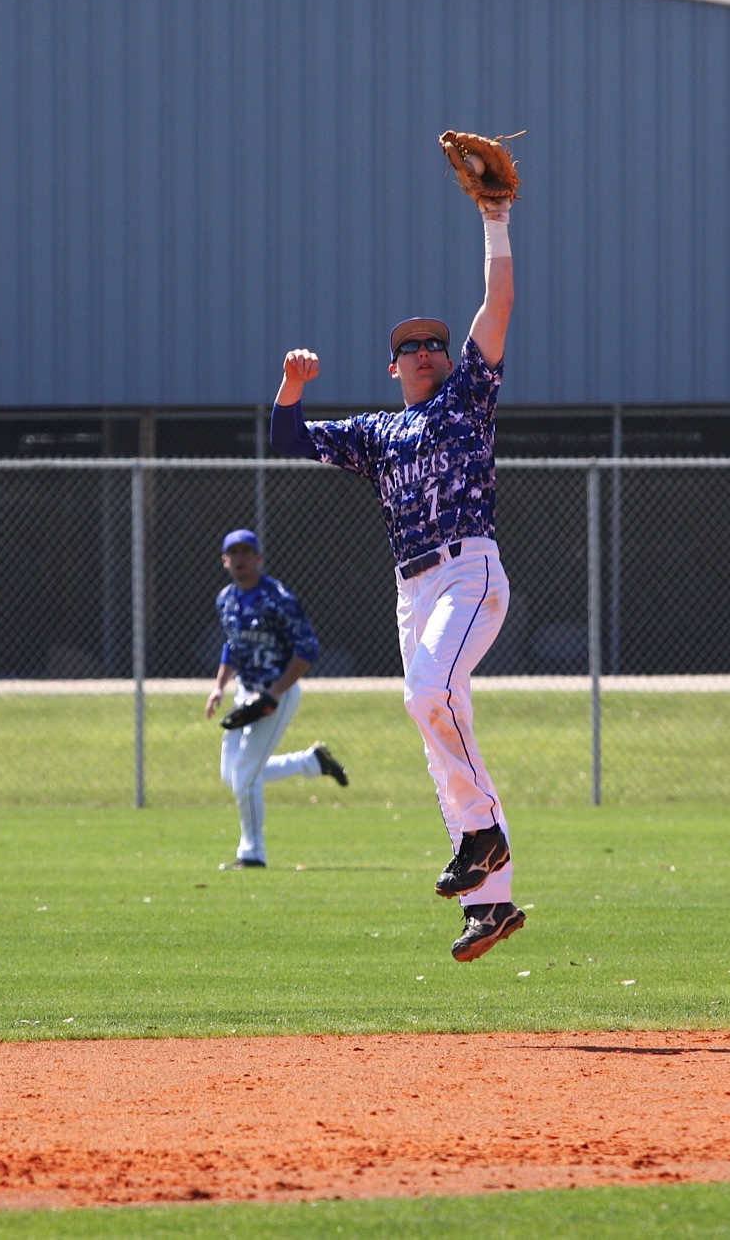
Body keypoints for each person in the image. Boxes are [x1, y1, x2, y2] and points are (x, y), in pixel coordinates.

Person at [267, 182, 522, 962]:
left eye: (434, 343)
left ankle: (486, 835)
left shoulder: (466, 399)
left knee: (426, 695)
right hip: (414, 590)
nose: (425, 351)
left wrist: (494, 220)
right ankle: (491, 903)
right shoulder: (378, 433)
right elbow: (289, 440)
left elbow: (500, 301)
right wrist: (292, 388)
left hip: (469, 570)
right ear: (391, 365)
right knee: (439, 727)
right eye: (410, 346)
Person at [205, 528, 349, 869]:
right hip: (245, 691)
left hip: (277, 692)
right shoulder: (226, 598)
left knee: (246, 775)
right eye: (233, 553)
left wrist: (274, 692)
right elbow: (233, 645)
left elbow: (307, 648)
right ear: (225, 560)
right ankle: (312, 762)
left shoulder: (278, 598)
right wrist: (219, 686)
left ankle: (252, 853)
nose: (239, 559)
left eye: (246, 552)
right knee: (233, 774)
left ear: (258, 558)